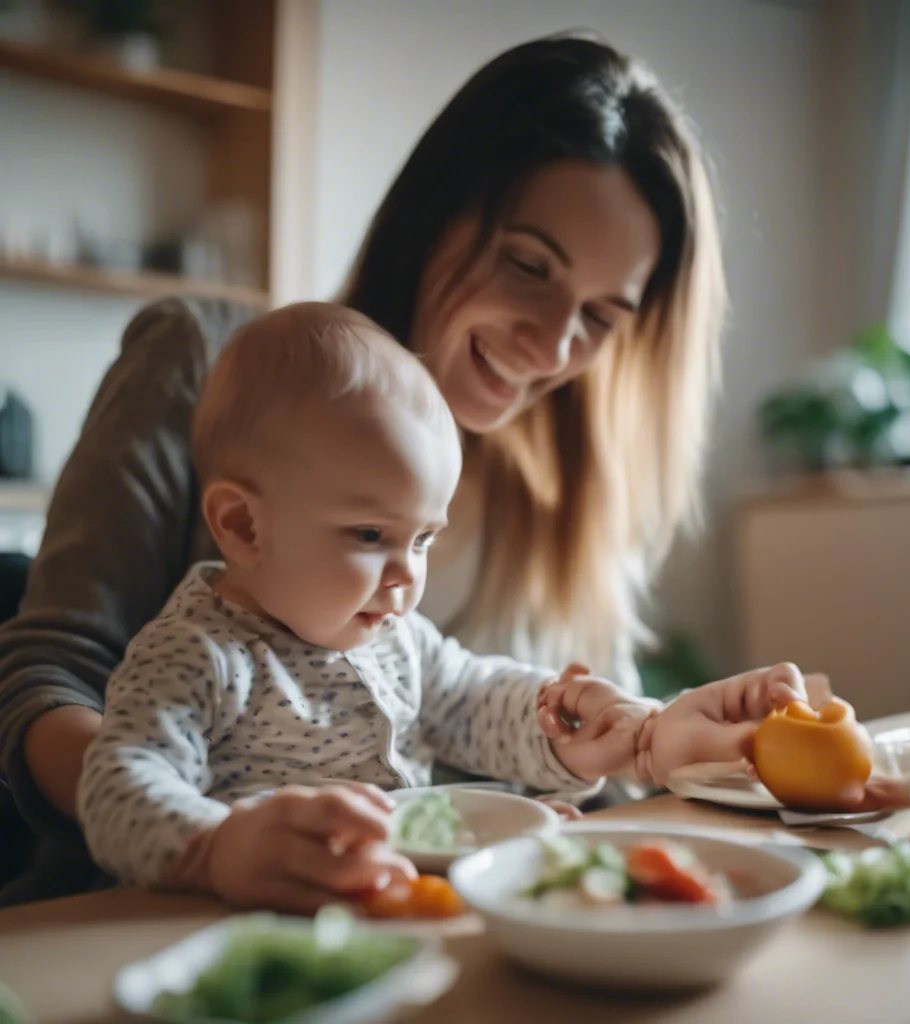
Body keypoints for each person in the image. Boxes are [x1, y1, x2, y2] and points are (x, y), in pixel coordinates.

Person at [0, 32, 734, 904]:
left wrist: (638, 737)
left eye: (603, 315)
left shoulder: (535, 525)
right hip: (154, 914)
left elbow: (472, 698)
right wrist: (209, 837)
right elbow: (57, 683)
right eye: (528, 264)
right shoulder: (202, 618)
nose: (551, 346)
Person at [78, 303, 808, 912]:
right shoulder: (195, 655)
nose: (406, 575)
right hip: (235, 930)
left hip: (393, 914)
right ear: (243, 526)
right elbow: (116, 786)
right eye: (370, 536)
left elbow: (471, 697)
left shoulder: (392, 637)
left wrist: (566, 729)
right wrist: (215, 849)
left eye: (423, 538)